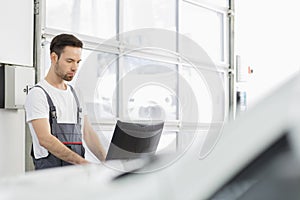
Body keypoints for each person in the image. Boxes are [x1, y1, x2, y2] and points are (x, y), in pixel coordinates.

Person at [25, 33, 106, 170]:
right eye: (69, 61)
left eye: (78, 62)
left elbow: (88, 133)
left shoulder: (76, 94)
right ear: (54, 57)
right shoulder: (38, 94)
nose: (75, 67)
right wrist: (83, 164)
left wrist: (107, 162)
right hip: (50, 177)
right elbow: (45, 139)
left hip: (76, 174)